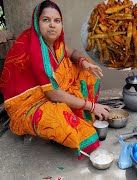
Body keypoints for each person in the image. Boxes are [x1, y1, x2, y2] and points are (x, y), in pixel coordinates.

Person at [0, 0, 111, 159]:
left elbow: (71, 52)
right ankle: (81, 123)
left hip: (54, 89)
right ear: (37, 23)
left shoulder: (55, 42)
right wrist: (92, 106)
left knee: (88, 73)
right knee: (58, 116)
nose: (52, 25)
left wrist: (84, 62)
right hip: (28, 102)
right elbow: (53, 94)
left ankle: (81, 112)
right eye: (46, 20)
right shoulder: (35, 49)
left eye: (56, 21)